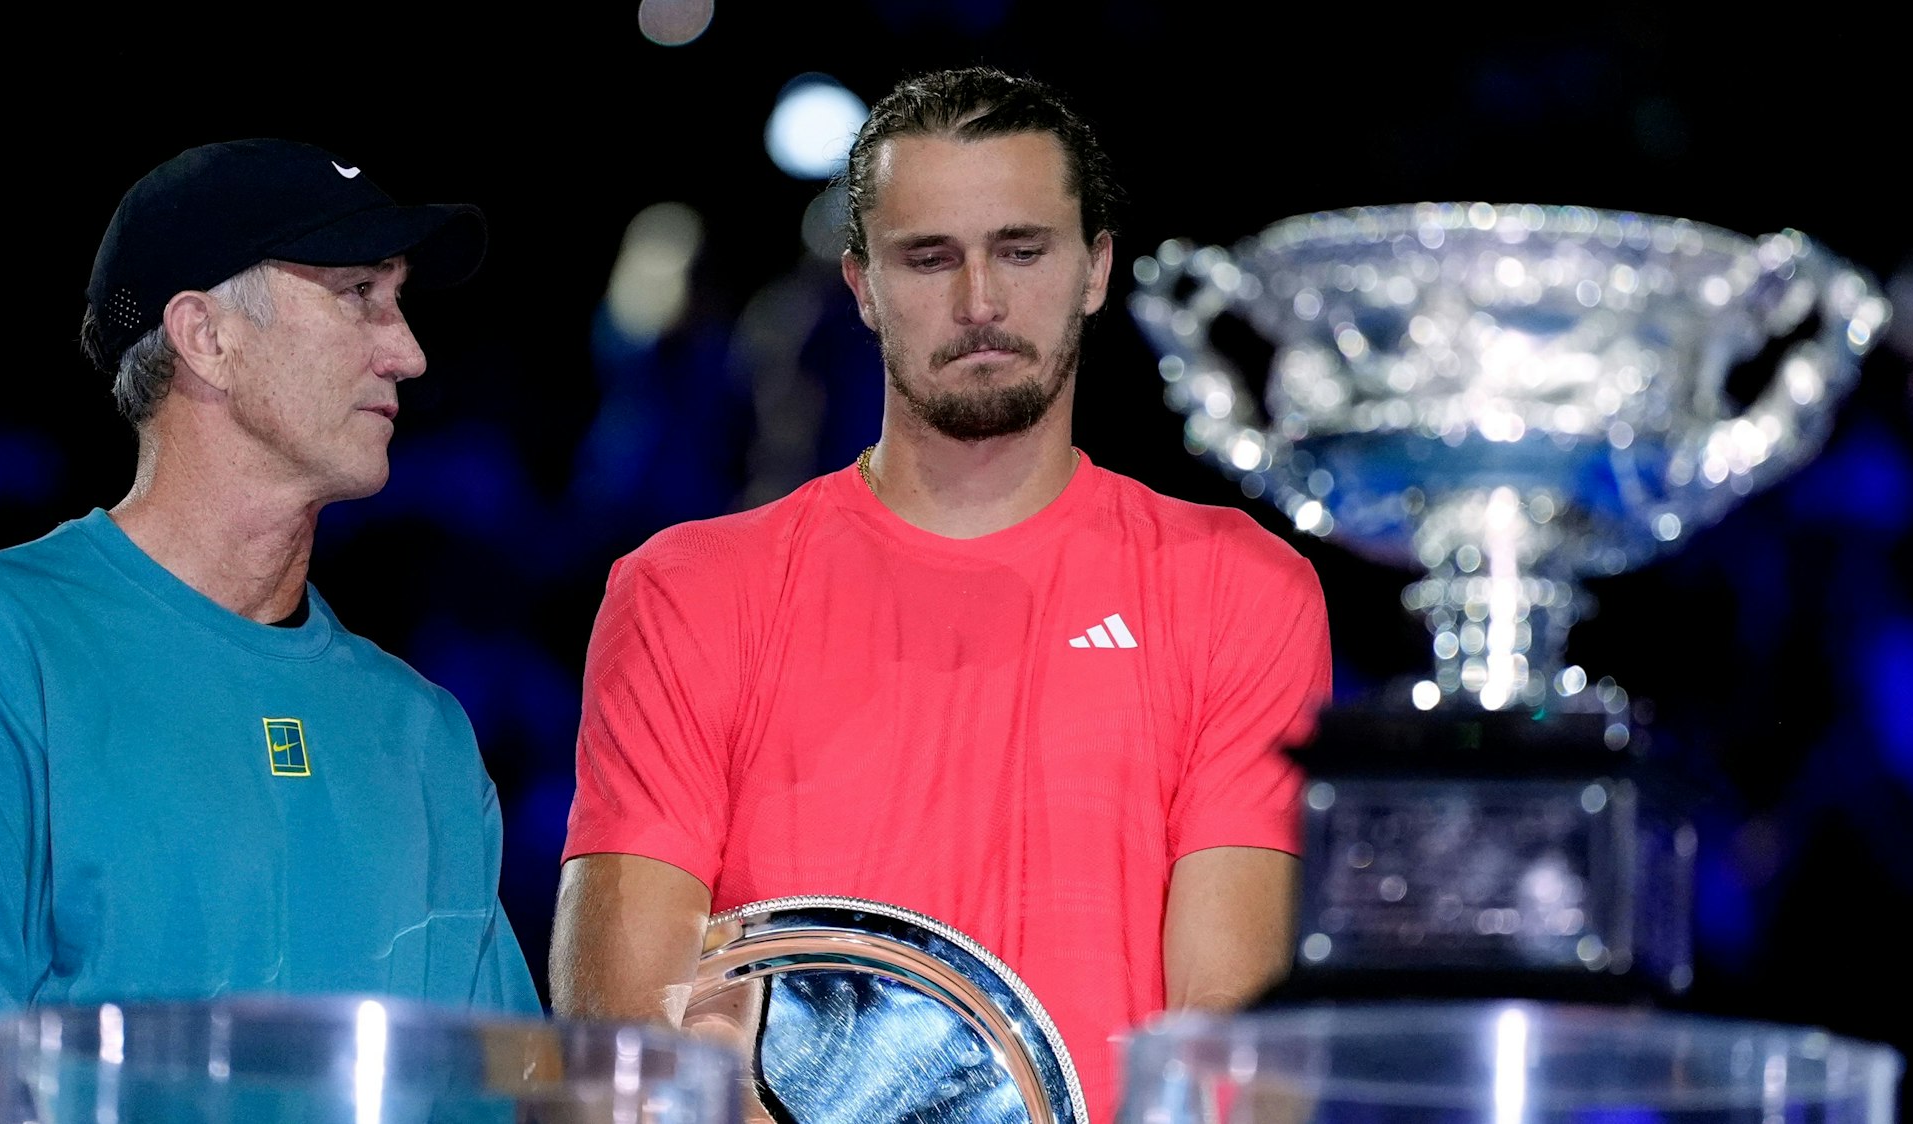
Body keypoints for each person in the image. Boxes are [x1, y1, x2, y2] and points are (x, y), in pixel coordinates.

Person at [551, 67, 1332, 1121]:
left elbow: (1228, 1049)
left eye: (1023, 249)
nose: (980, 303)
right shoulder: (685, 591)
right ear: (863, 285)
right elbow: (624, 1059)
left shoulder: (1239, 586)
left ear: (1096, 269)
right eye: (930, 258)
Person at [0, 139, 540, 1119]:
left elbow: (490, 1094)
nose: (409, 350)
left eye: (398, 297)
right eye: (357, 293)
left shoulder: (419, 732)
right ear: (206, 335)